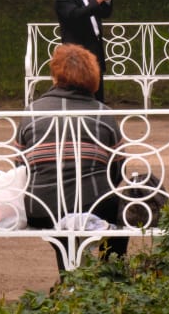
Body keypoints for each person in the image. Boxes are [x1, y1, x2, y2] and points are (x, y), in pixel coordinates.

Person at [17, 43, 126, 271]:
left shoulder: (32, 112)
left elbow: (21, 167)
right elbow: (118, 168)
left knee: (59, 211)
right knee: (119, 208)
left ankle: (69, 276)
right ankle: (110, 274)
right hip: (94, 205)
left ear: (55, 74)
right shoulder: (102, 114)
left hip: (42, 209)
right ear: (92, 75)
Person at [54, 0, 113, 102]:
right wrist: (97, 1)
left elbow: (103, 13)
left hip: (94, 50)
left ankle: (97, 122)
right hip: (77, 53)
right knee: (79, 95)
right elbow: (73, 16)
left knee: (98, 94)